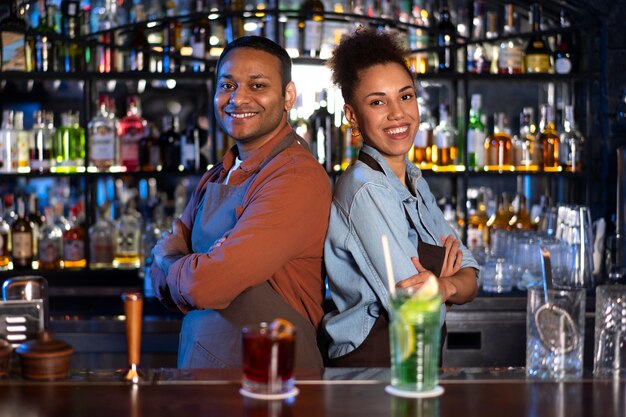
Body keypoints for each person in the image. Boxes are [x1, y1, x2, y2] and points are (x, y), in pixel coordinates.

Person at [150, 36, 332, 369]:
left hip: (275, 378)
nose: (239, 98)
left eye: (257, 85)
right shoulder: (216, 175)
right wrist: (196, 264)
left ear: (288, 96)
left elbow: (207, 285)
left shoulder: (295, 177)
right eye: (228, 85)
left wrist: (175, 259)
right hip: (204, 377)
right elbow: (158, 280)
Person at [322, 28, 479, 367]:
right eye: (377, 102)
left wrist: (445, 289)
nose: (398, 113)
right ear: (351, 115)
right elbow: (415, 309)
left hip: (412, 361)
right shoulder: (367, 189)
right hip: (368, 372)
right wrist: (445, 290)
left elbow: (470, 273)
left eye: (405, 96)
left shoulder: (412, 179)